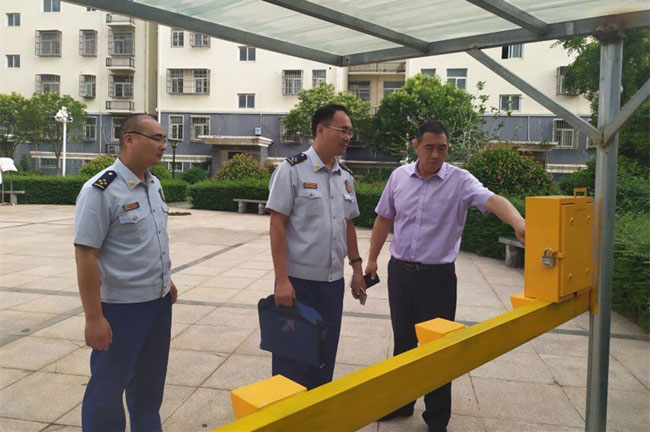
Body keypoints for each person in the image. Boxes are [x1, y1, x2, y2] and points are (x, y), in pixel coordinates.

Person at [365, 120, 525, 432]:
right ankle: (401, 402)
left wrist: (518, 222)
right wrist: (371, 260)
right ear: (415, 146)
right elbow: (384, 218)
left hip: (437, 278)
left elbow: (492, 200)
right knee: (403, 342)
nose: (436, 154)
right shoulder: (399, 177)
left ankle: (437, 418)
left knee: (438, 348)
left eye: (442, 148)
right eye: (429, 148)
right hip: (400, 273)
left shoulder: (460, 180)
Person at [74, 113, 178, 431]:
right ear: (129, 140)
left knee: (148, 390)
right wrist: (94, 317)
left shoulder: (153, 184)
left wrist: (166, 279)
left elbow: (149, 239)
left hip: (158, 304)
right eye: (156, 138)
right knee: (107, 392)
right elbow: (86, 254)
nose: (163, 145)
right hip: (121, 309)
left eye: (164, 139)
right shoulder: (101, 190)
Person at [266, 104, 366, 389]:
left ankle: (317, 409)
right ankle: (289, 412)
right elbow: (277, 224)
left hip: (332, 285)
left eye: (350, 131)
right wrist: (281, 280)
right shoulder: (292, 170)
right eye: (343, 130)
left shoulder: (345, 177)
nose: (348, 137)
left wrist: (357, 269)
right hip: (299, 284)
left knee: (324, 355)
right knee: (292, 359)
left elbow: (348, 224)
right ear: (321, 130)